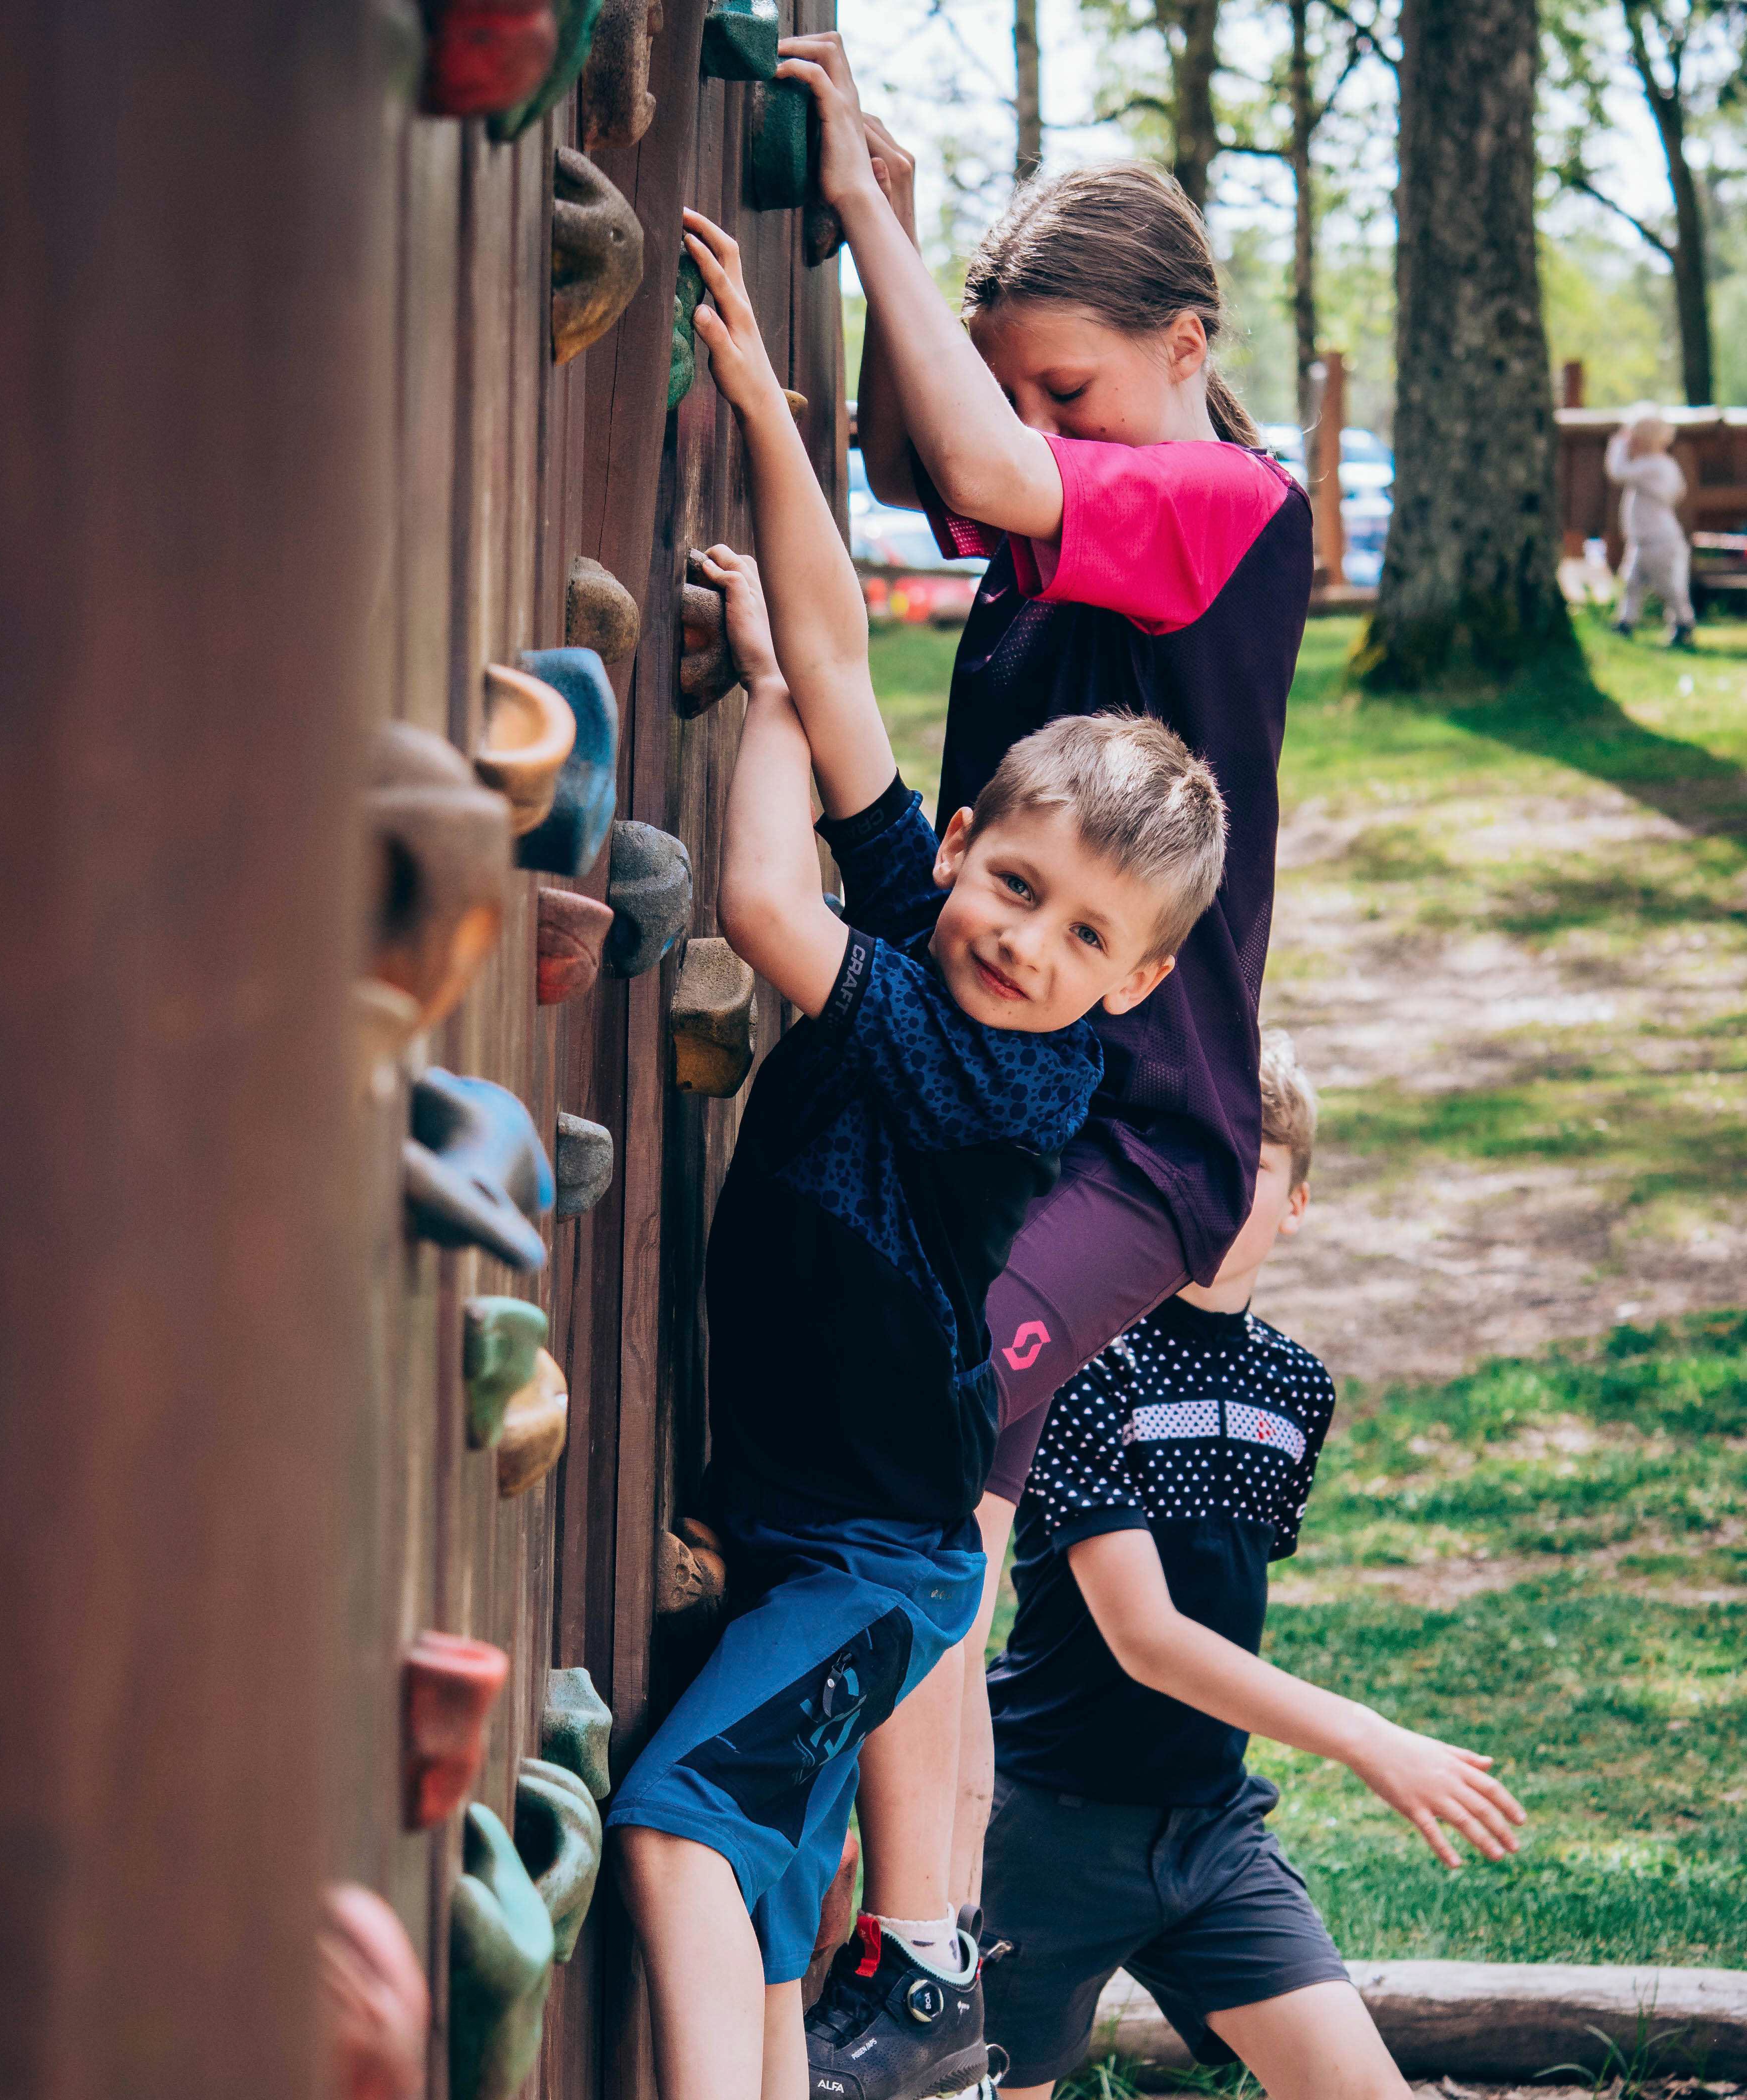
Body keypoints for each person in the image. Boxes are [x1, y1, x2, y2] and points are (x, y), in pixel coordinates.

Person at [604, 208, 1233, 2100]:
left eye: (1079, 942)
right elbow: (848, 674)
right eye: (1014, 886)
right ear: (961, 845)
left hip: (870, 1569)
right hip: (815, 1534)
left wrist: (781, 711)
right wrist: (768, 424)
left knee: (675, 1818)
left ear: (1131, 987)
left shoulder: (1004, 1077)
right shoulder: (942, 916)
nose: (1024, 944)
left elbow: (759, 900)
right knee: (778, 1877)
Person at [770, 34, 1314, 2091]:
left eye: (1066, 386)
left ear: (1182, 348)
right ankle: (862, 1909)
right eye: (1017, 384)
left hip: (1140, 1137)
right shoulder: (1060, 512)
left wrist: (856, 211)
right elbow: (937, 462)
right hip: (1016, 1094)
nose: (1028, 424)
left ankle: (927, 1964)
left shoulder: (1221, 504)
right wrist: (898, 244)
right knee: (895, 1445)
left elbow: (977, 469)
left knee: (935, 1444)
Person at [972, 1031, 1527, 2100]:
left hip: (1212, 1832)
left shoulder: (1297, 1386)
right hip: (1044, 1831)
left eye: (1252, 1166)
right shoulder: (1085, 1356)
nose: (1221, 1191)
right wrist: (1366, 1736)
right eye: (1199, 1162)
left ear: (1297, 1202)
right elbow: (1143, 1635)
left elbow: (1223, 1589)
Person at [1606, 411, 1695, 647]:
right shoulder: (1665, 464)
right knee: (1632, 583)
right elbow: (1680, 490)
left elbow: (1617, 473)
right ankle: (1626, 621)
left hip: (1659, 540)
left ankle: (1684, 622)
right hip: (1644, 539)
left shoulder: (1651, 466)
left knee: (1668, 586)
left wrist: (1617, 445)